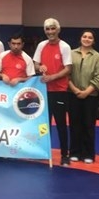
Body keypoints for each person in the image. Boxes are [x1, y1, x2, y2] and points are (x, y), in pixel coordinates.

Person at [33, 18, 73, 167]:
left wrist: (52, 77)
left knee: (61, 123)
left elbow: (68, 69)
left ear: (58, 30)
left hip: (59, 91)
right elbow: (35, 64)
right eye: (47, 29)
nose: (50, 32)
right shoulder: (41, 45)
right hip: (43, 91)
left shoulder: (64, 46)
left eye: (52, 28)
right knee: (44, 124)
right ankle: (43, 152)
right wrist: (40, 67)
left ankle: (64, 155)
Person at [67, 30, 99, 164]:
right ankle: (74, 152)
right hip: (73, 94)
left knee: (88, 125)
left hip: (91, 96)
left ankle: (88, 153)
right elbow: (66, 73)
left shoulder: (98, 57)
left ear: (93, 41)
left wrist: (86, 92)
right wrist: (75, 90)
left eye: (90, 37)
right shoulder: (71, 54)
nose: (87, 39)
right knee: (74, 124)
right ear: (80, 38)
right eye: (84, 36)